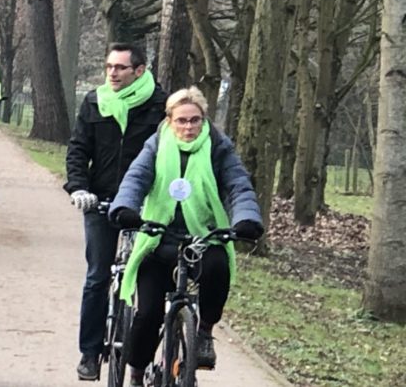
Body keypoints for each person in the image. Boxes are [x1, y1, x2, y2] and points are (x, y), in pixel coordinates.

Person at [108, 87, 263, 386]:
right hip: (159, 237)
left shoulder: (219, 146)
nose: (188, 127)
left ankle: (203, 332)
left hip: (203, 237)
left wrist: (246, 218)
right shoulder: (155, 145)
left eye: (195, 120)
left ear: (204, 119)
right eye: (181, 121)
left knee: (218, 267)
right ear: (169, 120)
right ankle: (137, 374)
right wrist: (126, 207)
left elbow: (238, 185)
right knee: (148, 314)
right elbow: (136, 178)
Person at [67, 42, 168, 381]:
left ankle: (147, 357)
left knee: (152, 283)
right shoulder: (95, 101)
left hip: (146, 205)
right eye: (109, 66)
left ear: (139, 70)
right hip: (101, 201)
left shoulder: (161, 106)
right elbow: (79, 149)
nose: (112, 73)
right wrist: (79, 187)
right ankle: (90, 353)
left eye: (120, 68)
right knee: (98, 276)